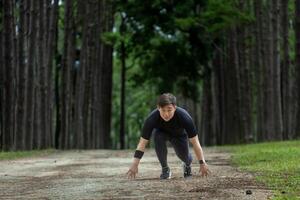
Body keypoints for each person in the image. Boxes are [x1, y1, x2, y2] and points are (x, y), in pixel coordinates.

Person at [126, 93, 210, 180]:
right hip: (162, 134)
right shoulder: (152, 118)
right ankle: (165, 169)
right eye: (163, 110)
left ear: (175, 107)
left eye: (169, 110)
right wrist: (135, 164)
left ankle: (187, 164)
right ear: (158, 108)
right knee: (158, 136)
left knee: (184, 156)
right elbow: (142, 143)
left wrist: (202, 163)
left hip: (179, 136)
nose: (166, 114)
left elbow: (195, 142)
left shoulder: (184, 117)